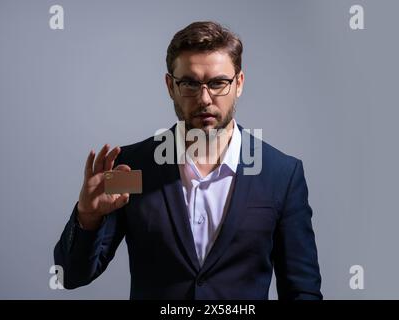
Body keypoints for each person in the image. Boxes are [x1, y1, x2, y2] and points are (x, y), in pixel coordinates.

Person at [54, 21, 322, 300]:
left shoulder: (282, 174)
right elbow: (70, 276)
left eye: (218, 83)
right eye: (190, 84)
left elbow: (302, 291)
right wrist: (88, 217)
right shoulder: (130, 168)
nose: (204, 98)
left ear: (239, 84)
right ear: (170, 86)